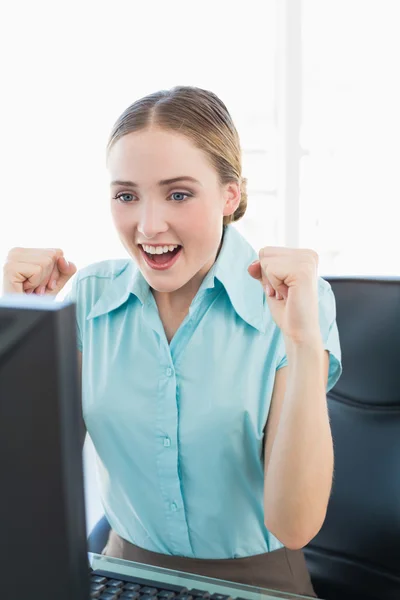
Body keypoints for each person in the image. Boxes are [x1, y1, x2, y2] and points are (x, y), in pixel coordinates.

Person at [3, 86, 342, 597]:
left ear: (230, 195)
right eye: (126, 195)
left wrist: (301, 341)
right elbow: (27, 492)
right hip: (121, 574)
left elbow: (295, 525)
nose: (149, 225)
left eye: (178, 194)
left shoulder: (295, 303)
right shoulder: (89, 299)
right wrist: (19, 324)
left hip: (258, 587)